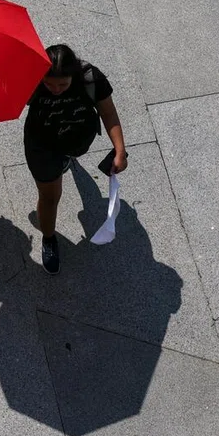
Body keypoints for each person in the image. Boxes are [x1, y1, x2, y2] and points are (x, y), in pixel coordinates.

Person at [24, 44, 127, 275]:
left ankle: (67, 161)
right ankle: (49, 239)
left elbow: (108, 113)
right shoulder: (30, 77)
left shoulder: (91, 79)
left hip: (76, 139)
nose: (55, 89)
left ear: (75, 75)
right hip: (42, 146)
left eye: (63, 84)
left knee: (67, 160)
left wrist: (119, 149)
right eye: (49, 84)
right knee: (50, 198)